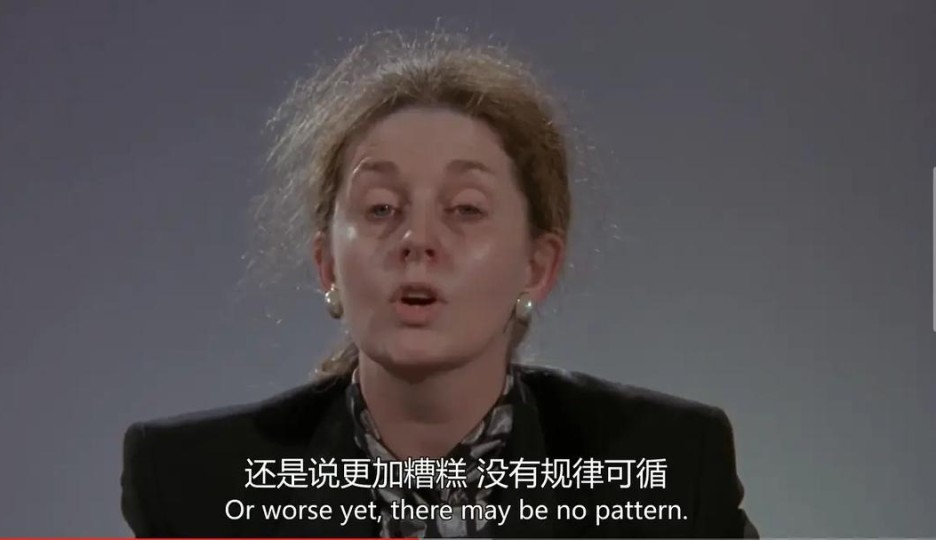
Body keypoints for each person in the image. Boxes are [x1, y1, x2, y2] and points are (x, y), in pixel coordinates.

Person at [120, 30, 758, 538]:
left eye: (465, 209)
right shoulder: (195, 484)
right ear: (327, 266)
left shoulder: (668, 466)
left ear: (537, 266)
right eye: (381, 209)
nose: (416, 239)